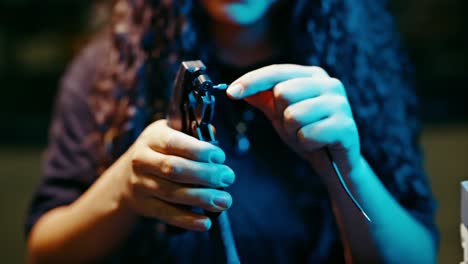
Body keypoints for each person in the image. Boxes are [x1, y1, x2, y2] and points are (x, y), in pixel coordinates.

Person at [25, 0, 439, 263]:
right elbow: (44, 252)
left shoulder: (367, 64)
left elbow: (418, 256)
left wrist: (346, 167)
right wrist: (122, 191)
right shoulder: (107, 72)